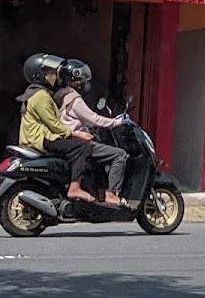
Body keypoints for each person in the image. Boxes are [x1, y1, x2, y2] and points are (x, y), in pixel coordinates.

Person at [18, 53, 96, 203]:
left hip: (42, 136)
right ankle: (75, 187)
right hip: (42, 138)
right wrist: (78, 134)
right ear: (39, 75)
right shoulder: (41, 96)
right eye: (51, 73)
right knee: (82, 147)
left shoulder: (39, 93)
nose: (56, 77)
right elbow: (54, 125)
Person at [54, 59, 129, 208]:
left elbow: (80, 119)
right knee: (119, 155)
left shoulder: (61, 95)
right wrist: (117, 122)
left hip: (69, 139)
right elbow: (94, 119)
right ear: (75, 79)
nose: (85, 83)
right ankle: (111, 194)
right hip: (79, 141)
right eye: (83, 79)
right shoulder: (74, 99)